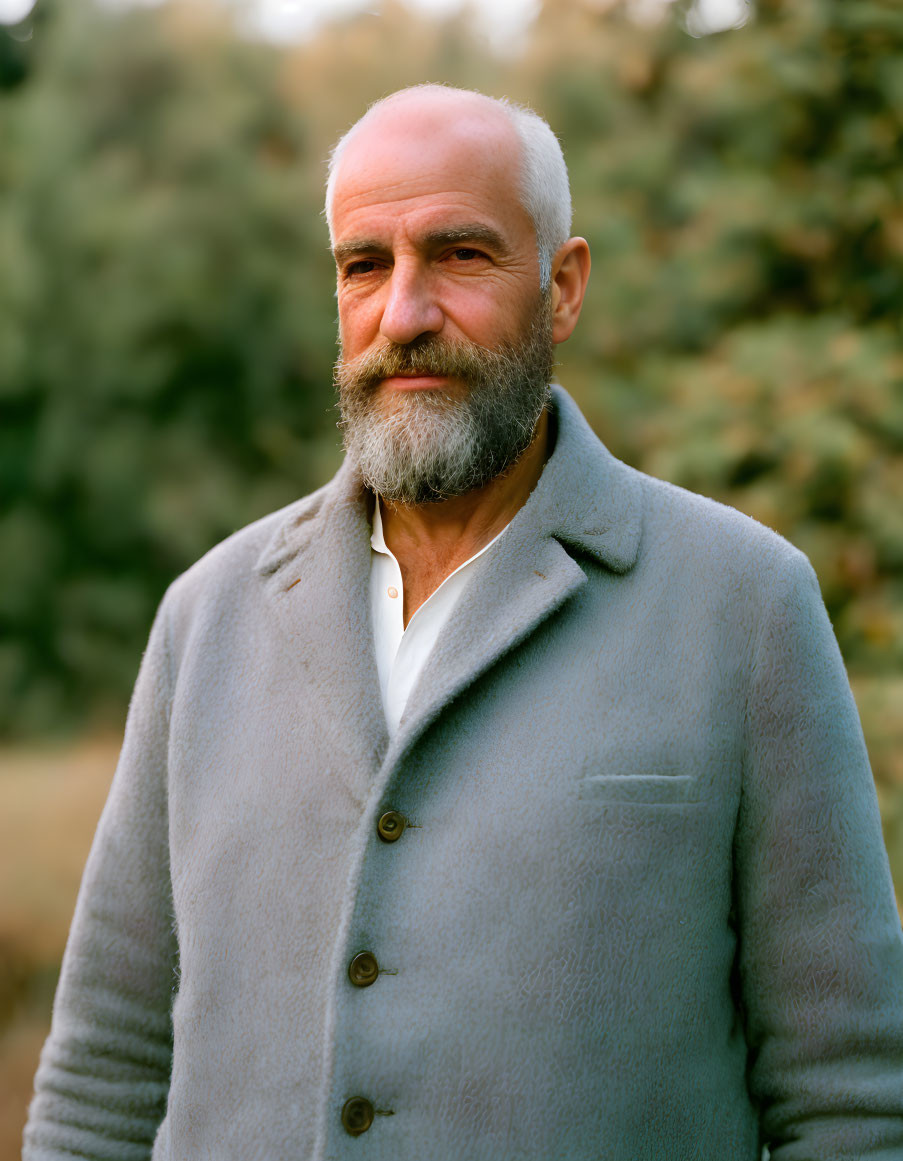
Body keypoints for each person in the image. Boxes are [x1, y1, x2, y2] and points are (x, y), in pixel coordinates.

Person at [24, 84, 903, 1161]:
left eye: (461, 255)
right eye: (365, 266)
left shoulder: (746, 606)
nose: (405, 313)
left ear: (563, 287)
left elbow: (850, 1102)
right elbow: (103, 1080)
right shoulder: (208, 615)